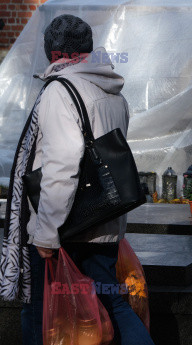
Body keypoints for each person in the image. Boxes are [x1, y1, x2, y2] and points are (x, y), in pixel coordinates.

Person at [0, 15, 155, 345]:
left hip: (68, 226)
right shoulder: (110, 87)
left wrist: (45, 233)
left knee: (39, 311)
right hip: (105, 219)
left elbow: (62, 165)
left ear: (55, 54)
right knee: (113, 303)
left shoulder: (60, 89)